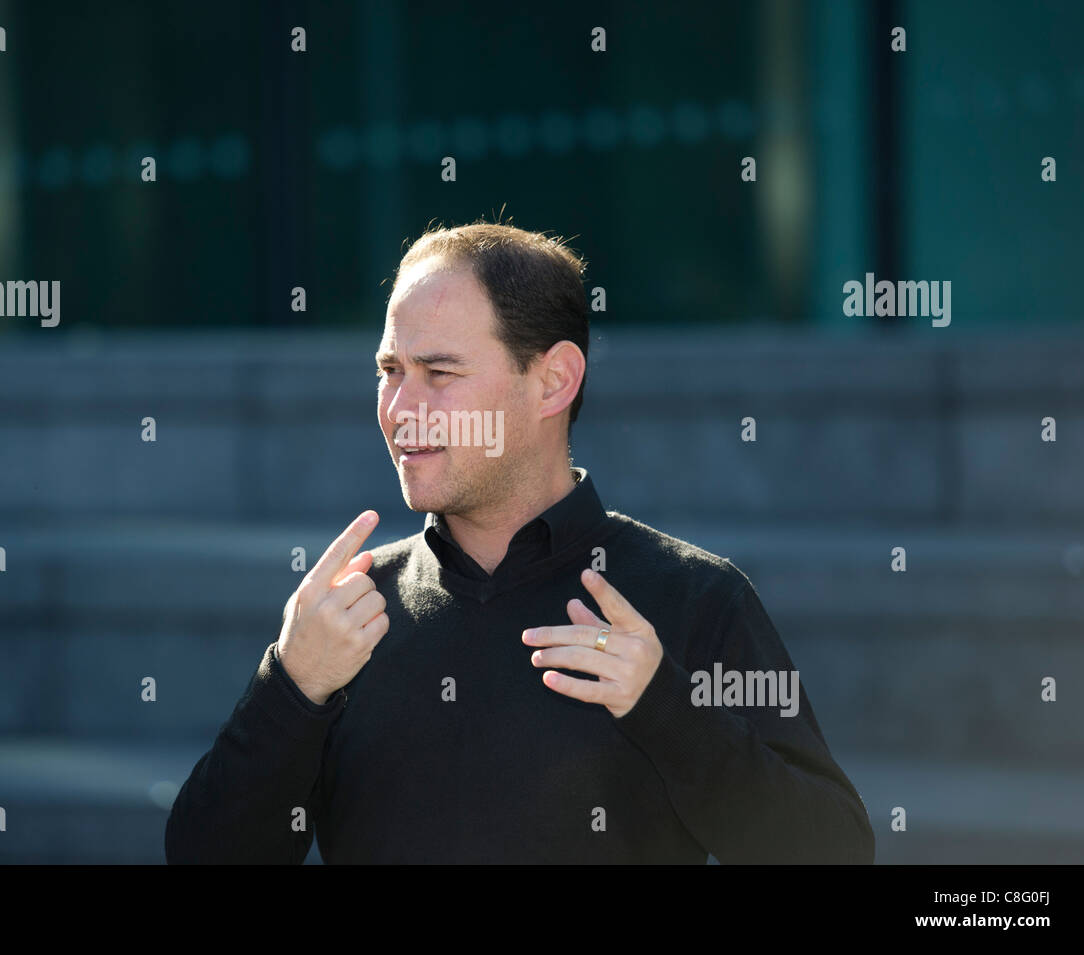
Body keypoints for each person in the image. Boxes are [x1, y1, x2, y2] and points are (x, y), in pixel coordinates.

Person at [165, 221, 874, 863]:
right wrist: (289, 687)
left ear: (553, 380)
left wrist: (666, 706)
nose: (400, 409)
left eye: (438, 373)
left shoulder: (692, 598)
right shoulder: (348, 616)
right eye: (389, 371)